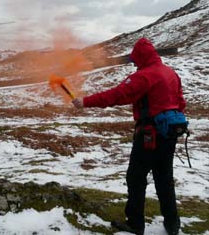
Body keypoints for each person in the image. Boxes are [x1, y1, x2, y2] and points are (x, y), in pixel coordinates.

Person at [72, 37, 186, 235]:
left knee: (135, 177)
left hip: (149, 136)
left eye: (135, 60)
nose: (134, 64)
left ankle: (135, 223)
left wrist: (85, 102)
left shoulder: (144, 75)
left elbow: (117, 95)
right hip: (170, 133)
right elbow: (180, 102)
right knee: (164, 178)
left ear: (141, 57)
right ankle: (172, 223)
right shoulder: (171, 73)